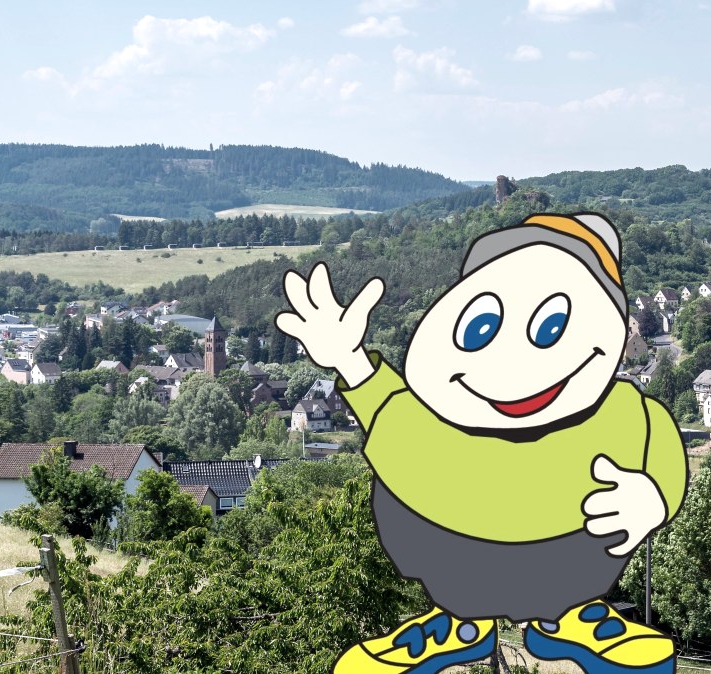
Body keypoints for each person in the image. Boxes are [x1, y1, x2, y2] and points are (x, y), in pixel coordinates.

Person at [276, 213, 687, 674]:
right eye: (480, 330)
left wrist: (653, 498)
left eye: (551, 326)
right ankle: (461, 622)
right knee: (400, 467)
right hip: (455, 562)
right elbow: (390, 409)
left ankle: (571, 615)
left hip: (570, 559)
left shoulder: (623, 414)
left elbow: (663, 452)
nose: (514, 363)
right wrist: (350, 359)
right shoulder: (438, 426)